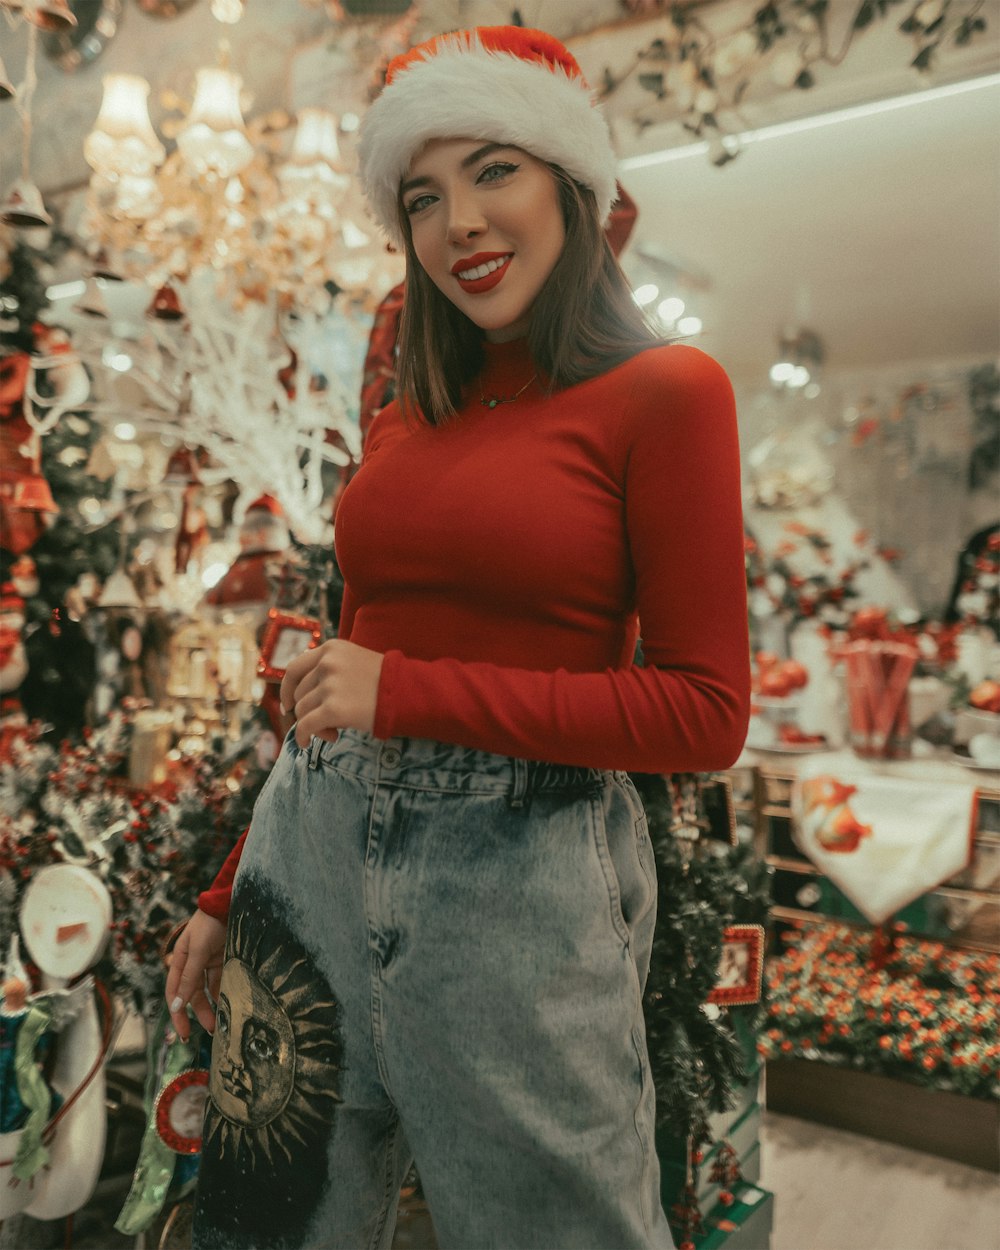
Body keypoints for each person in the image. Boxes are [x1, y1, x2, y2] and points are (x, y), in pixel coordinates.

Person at [166, 25, 750, 1250]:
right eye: (422, 197)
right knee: (265, 1222)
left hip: (519, 884)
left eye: (495, 170)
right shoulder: (405, 422)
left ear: (571, 184)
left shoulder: (666, 393)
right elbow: (339, 673)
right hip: (307, 852)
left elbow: (704, 712)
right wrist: (231, 888)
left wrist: (414, 692)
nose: (459, 225)